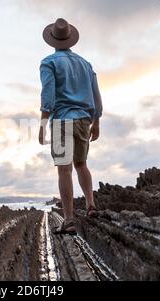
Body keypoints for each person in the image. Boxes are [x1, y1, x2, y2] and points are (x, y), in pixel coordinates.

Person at [38, 18, 103, 235]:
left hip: (62, 119)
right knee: (82, 164)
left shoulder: (49, 62)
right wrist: (97, 120)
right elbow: (96, 94)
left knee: (64, 169)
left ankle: (68, 220)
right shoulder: (85, 64)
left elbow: (48, 93)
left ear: (52, 40)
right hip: (84, 119)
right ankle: (91, 205)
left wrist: (43, 122)